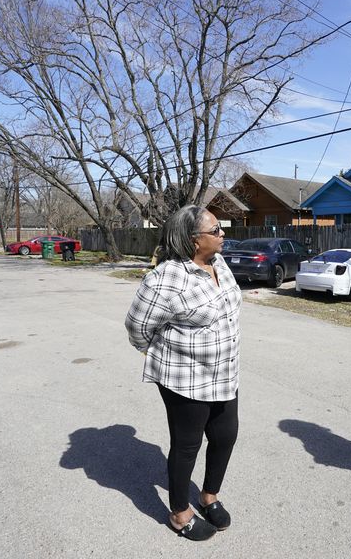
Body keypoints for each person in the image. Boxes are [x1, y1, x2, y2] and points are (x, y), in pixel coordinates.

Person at [125, 205, 241, 541]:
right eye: (216, 230)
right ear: (193, 241)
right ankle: (179, 512)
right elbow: (137, 326)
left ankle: (208, 496)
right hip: (185, 379)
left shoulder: (219, 264)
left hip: (224, 374)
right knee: (187, 445)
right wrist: (163, 352)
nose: (223, 235)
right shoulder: (165, 278)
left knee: (225, 435)